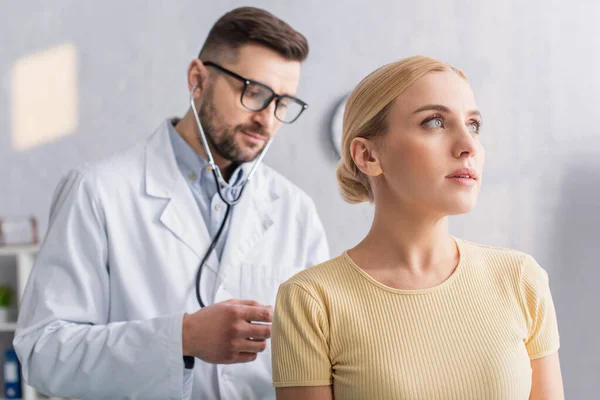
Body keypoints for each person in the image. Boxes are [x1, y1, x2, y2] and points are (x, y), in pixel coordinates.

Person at [14, 6, 329, 400]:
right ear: (198, 79)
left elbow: (318, 354)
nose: (267, 120)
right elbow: (43, 353)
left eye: (283, 103)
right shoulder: (97, 192)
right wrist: (183, 337)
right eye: (254, 92)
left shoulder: (295, 211)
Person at [271, 55, 564, 400]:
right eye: (435, 122)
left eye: (473, 125)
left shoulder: (520, 279)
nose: (468, 146)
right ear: (367, 156)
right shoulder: (311, 300)